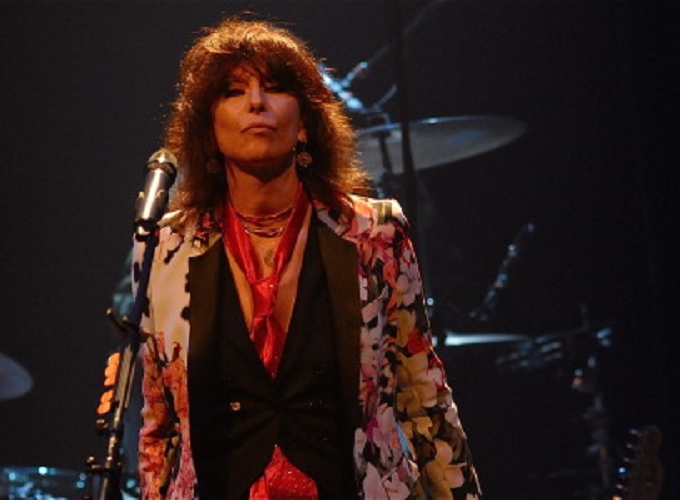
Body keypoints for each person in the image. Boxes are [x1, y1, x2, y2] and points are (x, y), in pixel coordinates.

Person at [132, 16, 481, 499]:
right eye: (233, 92)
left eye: (275, 88)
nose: (257, 102)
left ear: (304, 125)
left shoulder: (374, 232)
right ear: (208, 127)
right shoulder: (165, 245)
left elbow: (423, 393)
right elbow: (159, 425)